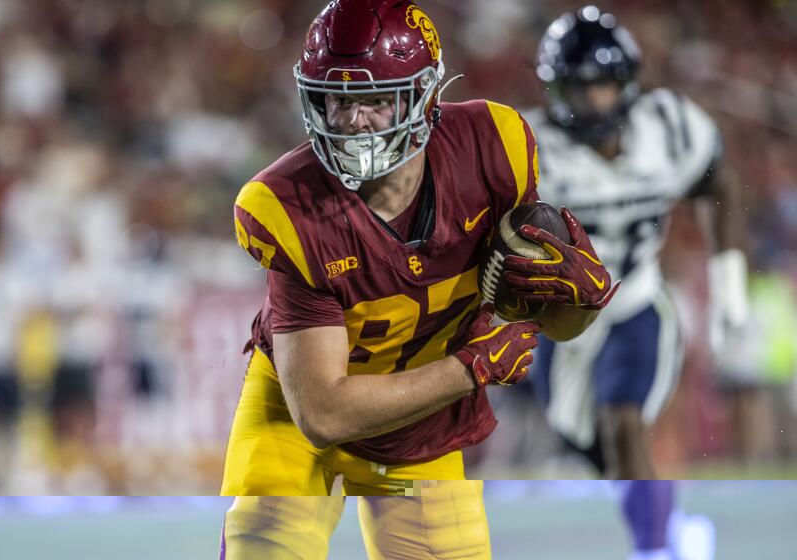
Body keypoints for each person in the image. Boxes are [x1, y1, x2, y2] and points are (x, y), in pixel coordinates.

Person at [219, 1, 616, 558]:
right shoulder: (286, 206)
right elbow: (324, 415)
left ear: (426, 96)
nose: (353, 123)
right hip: (297, 414)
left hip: (421, 427)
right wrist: (470, 366)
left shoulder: (493, 149)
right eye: (337, 101)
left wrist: (580, 304)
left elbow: (552, 325)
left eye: (376, 101)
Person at [521, 6, 744, 559]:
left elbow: (716, 179)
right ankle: (672, 528)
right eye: (579, 87)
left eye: (603, 85)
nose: (594, 101)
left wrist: (729, 284)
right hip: (564, 319)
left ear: (628, 83)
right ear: (556, 90)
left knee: (622, 424)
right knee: (590, 444)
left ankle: (655, 550)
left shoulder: (666, 127)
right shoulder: (529, 147)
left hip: (635, 302)